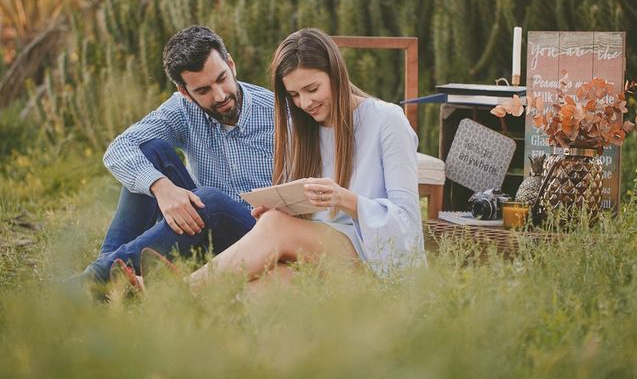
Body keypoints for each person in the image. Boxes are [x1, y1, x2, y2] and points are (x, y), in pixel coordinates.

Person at [169, 27, 425, 290]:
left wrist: (343, 199)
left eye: (312, 88)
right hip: (320, 254)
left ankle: (178, 292)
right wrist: (282, 208)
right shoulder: (300, 128)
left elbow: (407, 223)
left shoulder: (388, 120)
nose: (305, 103)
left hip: (370, 255)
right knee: (260, 288)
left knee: (275, 226)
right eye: (294, 95)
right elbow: (308, 217)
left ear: (335, 73)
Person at [69, 25, 274, 292]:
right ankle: (111, 274)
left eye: (222, 78)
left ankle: (97, 281)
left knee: (211, 200)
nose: (220, 95)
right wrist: (161, 187)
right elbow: (119, 148)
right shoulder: (183, 109)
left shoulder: (277, 113)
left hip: (256, 234)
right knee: (150, 149)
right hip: (200, 229)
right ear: (185, 93)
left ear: (231, 64)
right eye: (203, 91)